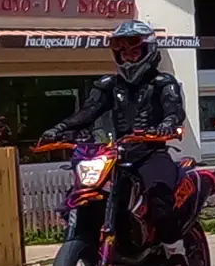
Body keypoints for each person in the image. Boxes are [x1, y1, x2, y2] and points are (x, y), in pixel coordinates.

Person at [59, 23, 194, 230]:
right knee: (80, 194)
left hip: (150, 153)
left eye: (134, 52)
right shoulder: (108, 85)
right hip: (115, 155)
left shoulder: (163, 82)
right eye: (124, 53)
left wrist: (167, 124)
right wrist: (60, 128)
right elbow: (87, 112)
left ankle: (173, 244)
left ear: (148, 51)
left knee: (160, 199)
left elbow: (174, 110)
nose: (129, 58)